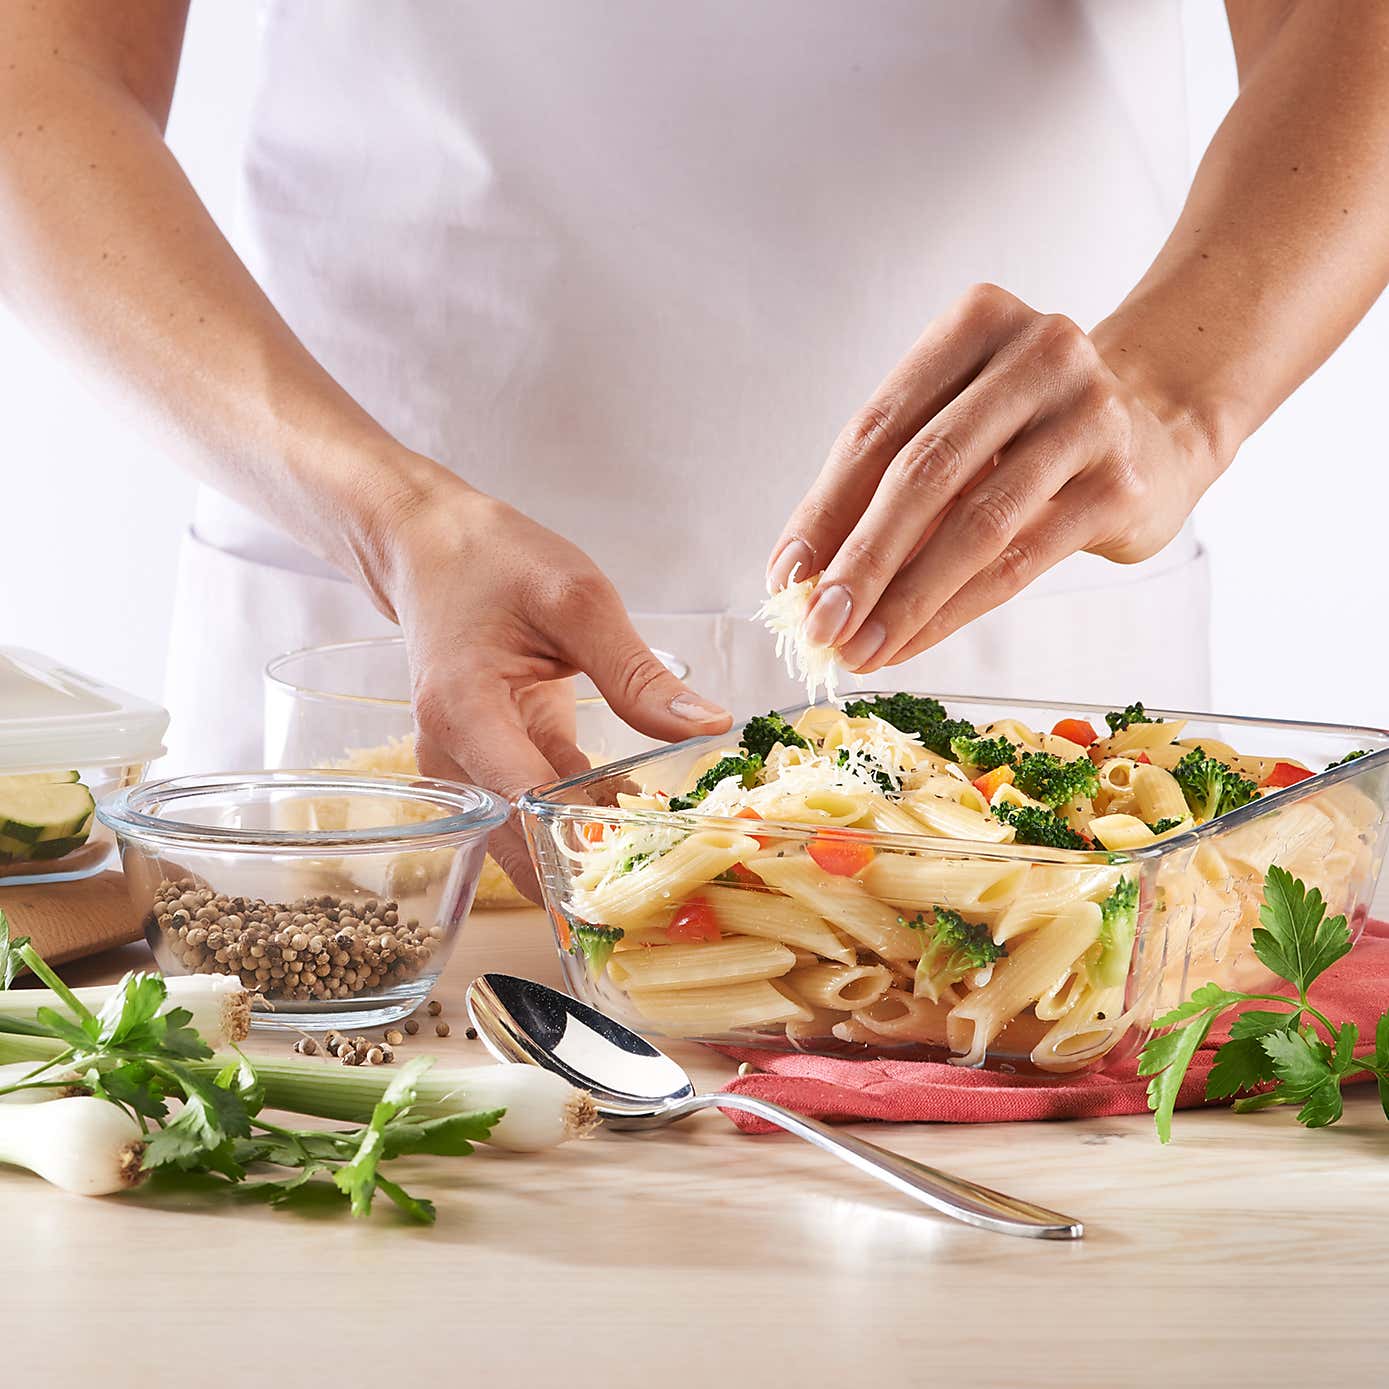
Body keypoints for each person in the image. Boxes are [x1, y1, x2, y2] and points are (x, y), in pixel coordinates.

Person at [2, 2, 1387, 893]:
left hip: (1026, 647)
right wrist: (385, 516)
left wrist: (1177, 390)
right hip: (382, 680)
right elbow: (32, 71)